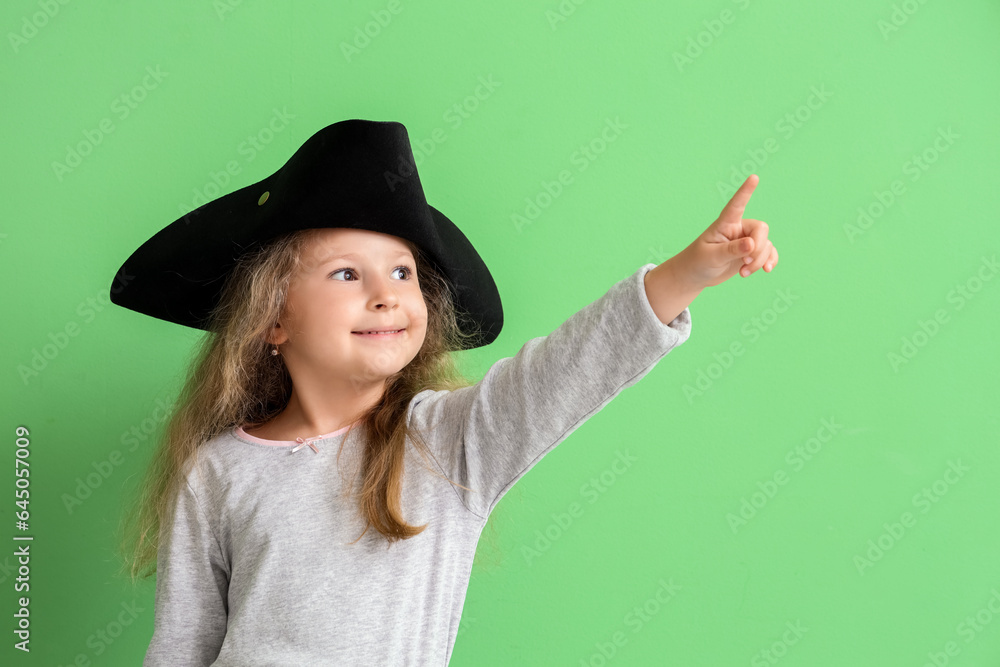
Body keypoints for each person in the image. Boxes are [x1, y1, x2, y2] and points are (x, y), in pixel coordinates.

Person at [112, 119, 778, 666]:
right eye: (347, 272)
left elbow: (568, 370)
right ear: (274, 318)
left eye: (402, 270)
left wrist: (687, 272)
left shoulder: (448, 444)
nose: (386, 292)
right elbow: (183, 643)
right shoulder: (218, 470)